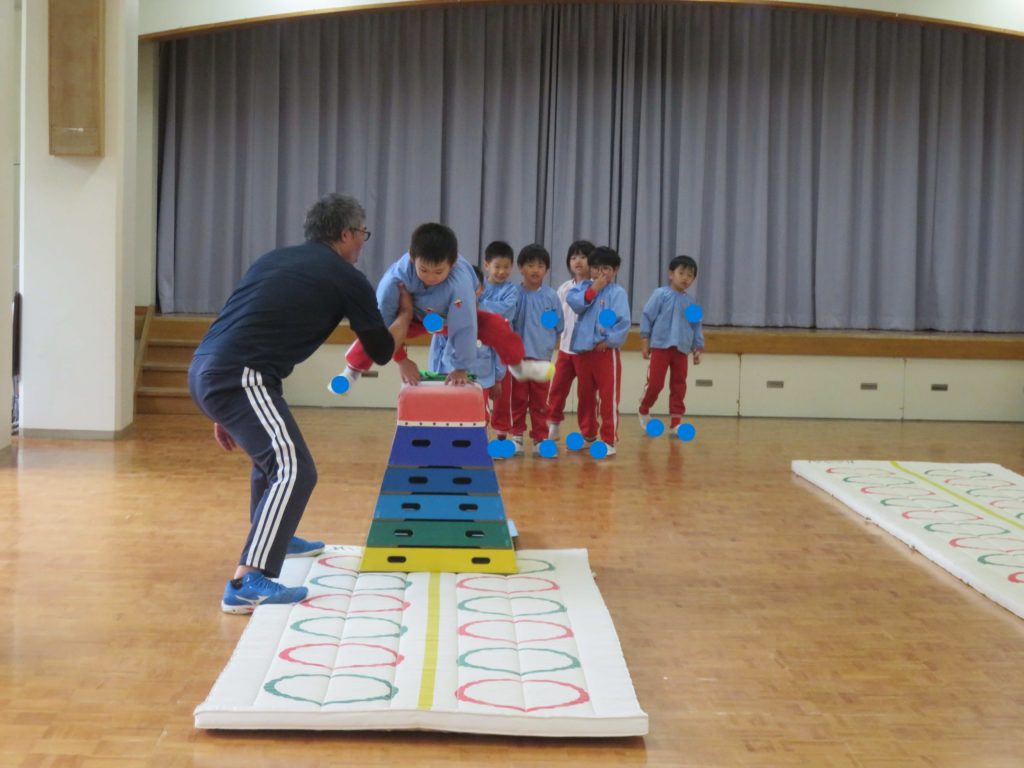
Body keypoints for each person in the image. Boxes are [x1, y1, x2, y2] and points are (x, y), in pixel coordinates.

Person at [188, 193, 413, 614]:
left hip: (208, 366)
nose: (362, 243)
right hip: (239, 375)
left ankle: (277, 538)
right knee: (294, 469)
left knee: (270, 462)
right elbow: (381, 351)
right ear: (345, 234)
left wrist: (224, 406)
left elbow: (237, 320)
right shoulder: (346, 277)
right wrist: (405, 316)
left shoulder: (272, 260)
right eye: (362, 234)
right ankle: (247, 580)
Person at [339, 223, 551, 387]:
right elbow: (382, 322)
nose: (430, 277)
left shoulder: (460, 284)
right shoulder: (396, 278)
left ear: (453, 262)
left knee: (497, 326)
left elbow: (464, 326)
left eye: (439, 272)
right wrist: (402, 360)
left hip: (450, 318)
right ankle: (352, 370)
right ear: (412, 258)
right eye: (423, 270)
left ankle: (518, 366)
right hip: (415, 318)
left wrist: (460, 368)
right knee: (375, 333)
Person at [498, 244, 563, 457]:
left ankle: (540, 438)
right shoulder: (513, 294)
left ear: (547, 270)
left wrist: (549, 345)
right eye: (530, 265)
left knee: (540, 401)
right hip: (517, 358)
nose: (535, 270)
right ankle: (517, 435)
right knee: (517, 398)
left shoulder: (551, 296)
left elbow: (558, 326)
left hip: (541, 358)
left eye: (540, 266)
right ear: (520, 268)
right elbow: (506, 322)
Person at [566, 246, 631, 454]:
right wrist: (593, 289)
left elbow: (623, 322)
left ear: (615, 270)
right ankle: (588, 434)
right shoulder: (583, 287)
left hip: (605, 354)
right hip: (584, 352)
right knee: (585, 396)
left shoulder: (617, 292)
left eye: (606, 269)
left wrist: (609, 340)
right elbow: (574, 302)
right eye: (596, 268)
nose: (600, 273)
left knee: (608, 397)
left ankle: (609, 440)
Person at [638, 255, 704, 430]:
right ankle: (644, 408)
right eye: (681, 273)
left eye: (690, 275)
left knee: (679, 385)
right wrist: (645, 339)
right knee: (655, 384)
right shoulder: (660, 294)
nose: (685, 278)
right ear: (671, 274)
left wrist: (697, 348)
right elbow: (647, 315)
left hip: (682, 349)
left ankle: (676, 422)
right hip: (660, 347)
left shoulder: (691, 302)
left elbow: (696, 326)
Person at [428, 265, 505, 411]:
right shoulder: (445, 317)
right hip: (450, 380)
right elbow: (437, 350)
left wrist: (498, 379)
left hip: (481, 380)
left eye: (473, 286)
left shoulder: (490, 319)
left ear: (481, 288)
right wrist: (435, 377)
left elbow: (499, 350)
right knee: (451, 416)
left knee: (479, 417)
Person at [545, 240, 594, 441]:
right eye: (573, 258)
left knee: (587, 393)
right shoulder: (564, 288)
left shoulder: (598, 288)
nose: (578, 261)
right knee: (557, 388)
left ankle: (588, 432)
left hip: (587, 352)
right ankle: (553, 424)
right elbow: (554, 314)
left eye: (583, 257)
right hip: (565, 350)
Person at [476, 241, 519, 443]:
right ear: (487, 265)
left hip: (502, 348)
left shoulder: (512, 291)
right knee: (480, 395)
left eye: (506, 267)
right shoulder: (479, 286)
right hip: (481, 349)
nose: (502, 272)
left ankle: (502, 436)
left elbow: (504, 312)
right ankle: (478, 434)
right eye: (497, 266)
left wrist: (481, 305)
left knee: (502, 395)